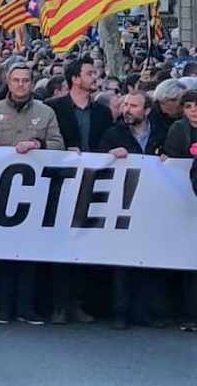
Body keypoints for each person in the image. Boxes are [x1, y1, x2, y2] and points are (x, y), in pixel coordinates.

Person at [0, 62, 62, 324]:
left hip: (35, 192)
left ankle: (26, 307)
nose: (20, 85)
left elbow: (58, 144)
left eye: (25, 80)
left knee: (28, 252)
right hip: (0, 192)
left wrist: (37, 144)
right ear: (8, 81)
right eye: (15, 80)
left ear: (31, 82)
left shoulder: (46, 112)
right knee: (2, 253)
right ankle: (2, 307)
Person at [46, 54, 111, 325]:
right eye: (89, 73)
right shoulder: (55, 108)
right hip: (61, 185)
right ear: (74, 78)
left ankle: (78, 303)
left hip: (92, 185)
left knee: (84, 246)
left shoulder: (102, 112)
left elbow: (109, 141)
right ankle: (57, 304)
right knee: (59, 245)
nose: (94, 77)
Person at [99, 90, 165, 329]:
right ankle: (120, 311)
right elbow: (96, 162)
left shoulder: (161, 133)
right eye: (125, 105)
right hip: (122, 203)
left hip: (153, 205)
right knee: (123, 261)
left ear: (147, 110)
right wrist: (109, 155)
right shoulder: (114, 133)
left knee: (147, 259)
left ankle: (144, 310)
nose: (127, 109)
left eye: (134, 106)